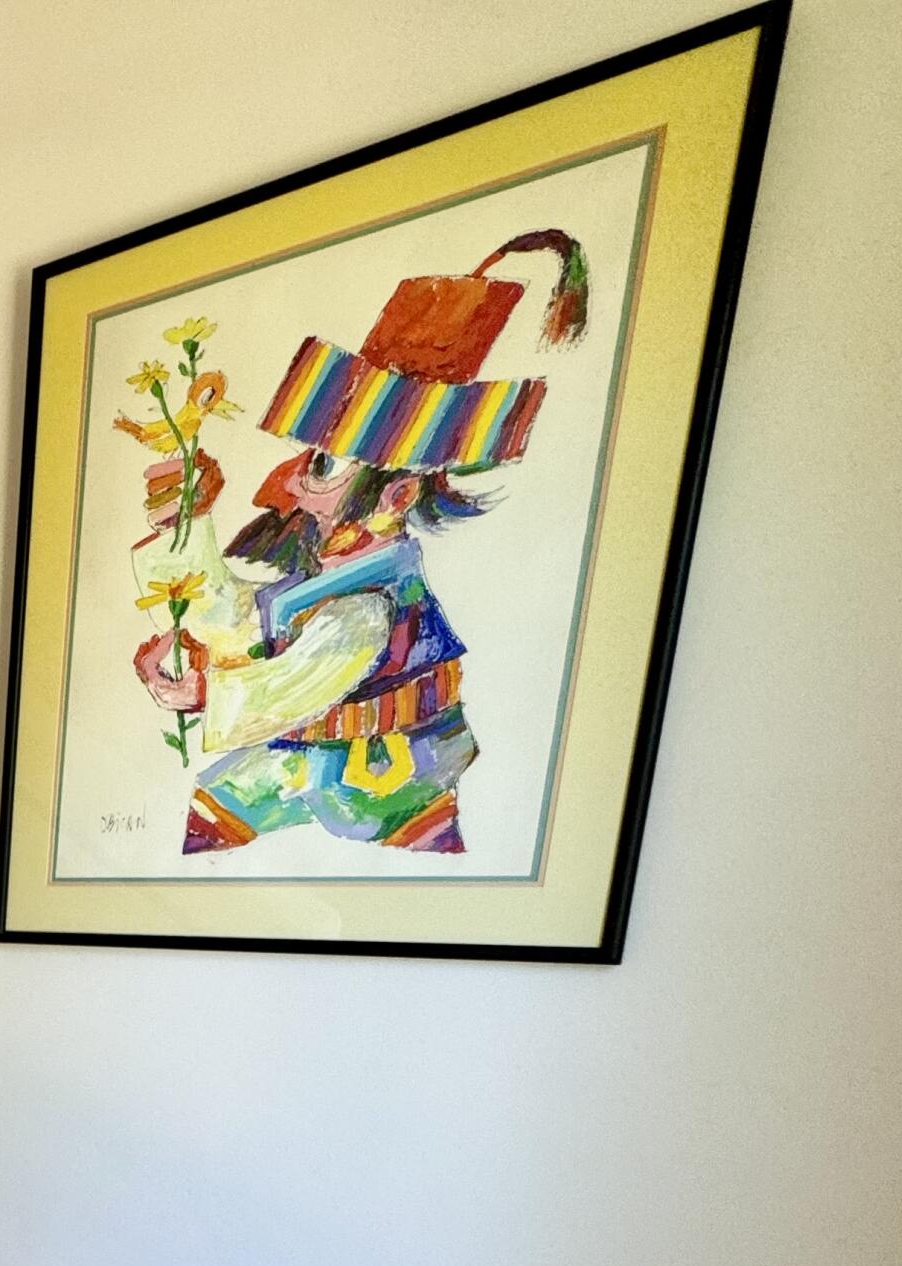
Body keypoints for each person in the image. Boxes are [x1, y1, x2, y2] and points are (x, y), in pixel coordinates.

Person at [138, 230, 589, 856]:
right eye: (308, 459)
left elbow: (296, 684)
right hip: (305, 771)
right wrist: (185, 524)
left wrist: (203, 692)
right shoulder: (327, 578)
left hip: (377, 797)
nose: (289, 482)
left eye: (324, 467)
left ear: (395, 498)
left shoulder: (368, 605)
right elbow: (240, 620)